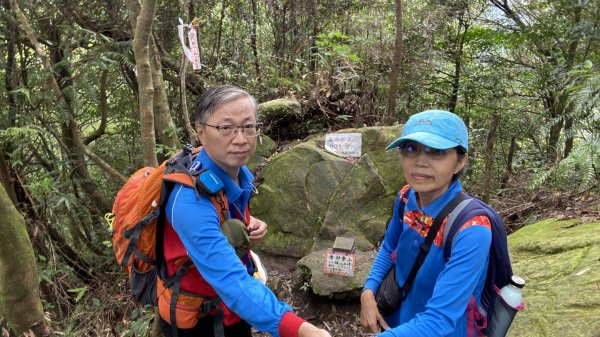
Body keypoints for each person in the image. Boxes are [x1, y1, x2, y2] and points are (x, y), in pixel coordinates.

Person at [160, 85, 331, 337]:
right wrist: (304, 331)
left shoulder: (232, 170)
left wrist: (248, 221)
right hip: (198, 321)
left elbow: (221, 213)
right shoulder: (189, 201)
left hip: (233, 311)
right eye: (226, 128)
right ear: (201, 132)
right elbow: (232, 281)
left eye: (248, 127)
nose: (240, 139)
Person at [360, 110, 492, 337]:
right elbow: (390, 246)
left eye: (437, 151)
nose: (420, 161)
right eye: (411, 148)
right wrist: (368, 291)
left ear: (460, 161)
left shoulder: (472, 230)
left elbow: (439, 320)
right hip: (395, 320)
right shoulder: (405, 197)